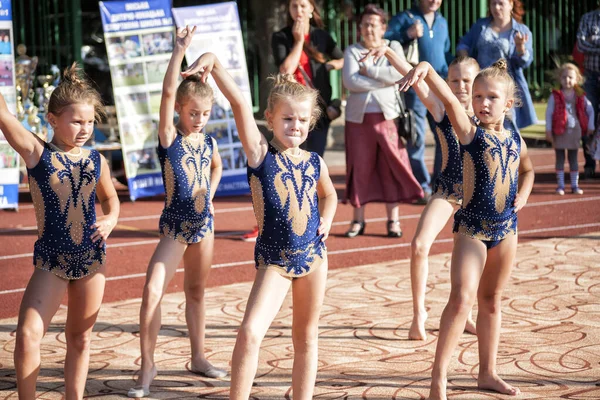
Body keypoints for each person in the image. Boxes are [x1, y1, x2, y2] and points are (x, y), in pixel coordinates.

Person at [182, 52, 337, 399]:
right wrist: (215, 64)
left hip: (315, 258)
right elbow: (238, 103)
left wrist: (326, 219)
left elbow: (329, 196)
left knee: (307, 337)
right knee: (251, 332)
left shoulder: (315, 162)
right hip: (275, 261)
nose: (294, 126)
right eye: (286, 119)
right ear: (269, 119)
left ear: (310, 123)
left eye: (300, 120)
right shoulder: (260, 155)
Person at [398, 58, 534, 399]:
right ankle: (438, 379)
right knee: (460, 301)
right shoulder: (469, 133)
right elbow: (445, 99)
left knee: (491, 302)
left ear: (508, 103)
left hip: (507, 231)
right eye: (477, 97)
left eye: (491, 98)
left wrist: (525, 195)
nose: (483, 104)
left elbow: (528, 170)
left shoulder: (516, 139)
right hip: (472, 230)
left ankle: (487, 372)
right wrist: (427, 68)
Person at [0, 64, 120, 399]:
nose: (85, 129)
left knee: (80, 338)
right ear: (52, 119)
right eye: (76, 121)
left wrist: (110, 219)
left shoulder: (97, 160)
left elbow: (110, 199)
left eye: (90, 121)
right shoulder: (37, 152)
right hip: (51, 261)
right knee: (26, 335)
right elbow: (3, 114)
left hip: (92, 260)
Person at [128, 27, 225, 398]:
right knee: (152, 290)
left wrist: (211, 196)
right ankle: (147, 366)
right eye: (193, 113)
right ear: (180, 111)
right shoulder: (170, 140)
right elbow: (168, 92)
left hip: (206, 226)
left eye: (205, 113)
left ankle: (198, 356)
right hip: (175, 229)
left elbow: (215, 168)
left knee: (197, 291)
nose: (199, 119)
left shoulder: (209, 140)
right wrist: (179, 51)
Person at [365, 45, 482, 339]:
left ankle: (465, 313)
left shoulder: (487, 114)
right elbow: (413, 78)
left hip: (477, 196)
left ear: (478, 81)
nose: (460, 86)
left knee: (467, 257)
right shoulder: (441, 108)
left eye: (466, 80)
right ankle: (419, 314)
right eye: (454, 80)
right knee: (419, 245)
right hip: (447, 190)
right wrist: (388, 51)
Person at [342, 4, 423, 238]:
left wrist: (370, 72)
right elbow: (350, 81)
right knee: (359, 167)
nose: (369, 29)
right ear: (359, 28)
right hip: (358, 120)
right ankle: (358, 221)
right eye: (365, 24)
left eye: (373, 24)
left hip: (389, 117)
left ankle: (393, 220)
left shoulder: (393, 47)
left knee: (392, 167)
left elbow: (400, 74)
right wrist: (385, 80)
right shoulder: (352, 51)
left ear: (383, 27)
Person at [385, 0, 452, 203]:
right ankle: (421, 187)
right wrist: (407, 34)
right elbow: (386, 40)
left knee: (444, 134)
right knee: (417, 138)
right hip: (415, 88)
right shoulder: (405, 18)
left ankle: (441, 184)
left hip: (440, 85)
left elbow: (446, 52)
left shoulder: (442, 22)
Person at [271, 0, 344, 157]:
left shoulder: (321, 36)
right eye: (294, 6)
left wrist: (328, 66)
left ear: (311, 8)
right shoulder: (281, 36)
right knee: (291, 157)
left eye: (303, 6)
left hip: (317, 107)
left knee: (315, 158)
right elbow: (286, 70)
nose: (299, 10)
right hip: (291, 106)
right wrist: (298, 41)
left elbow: (343, 59)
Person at [456, 0, 537, 131]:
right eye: (493, 3)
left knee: (506, 125)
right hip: (481, 84)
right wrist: (467, 61)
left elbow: (525, 62)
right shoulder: (480, 25)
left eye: (501, 3)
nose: (496, 7)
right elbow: (463, 45)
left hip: (504, 85)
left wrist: (520, 48)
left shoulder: (522, 30)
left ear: (511, 4)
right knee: (480, 123)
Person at [545, 63, 594, 195]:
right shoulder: (555, 95)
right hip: (559, 131)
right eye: (564, 77)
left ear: (577, 79)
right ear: (559, 78)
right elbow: (549, 113)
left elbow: (590, 110)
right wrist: (548, 130)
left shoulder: (580, 95)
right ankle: (560, 185)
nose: (567, 80)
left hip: (574, 131)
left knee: (573, 158)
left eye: (570, 77)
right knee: (559, 158)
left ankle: (574, 185)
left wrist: (591, 125)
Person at [576, 5, 600, 179]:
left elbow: (588, 44)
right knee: (587, 119)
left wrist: (594, 42)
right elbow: (581, 44)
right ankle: (589, 163)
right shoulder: (588, 17)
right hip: (590, 77)